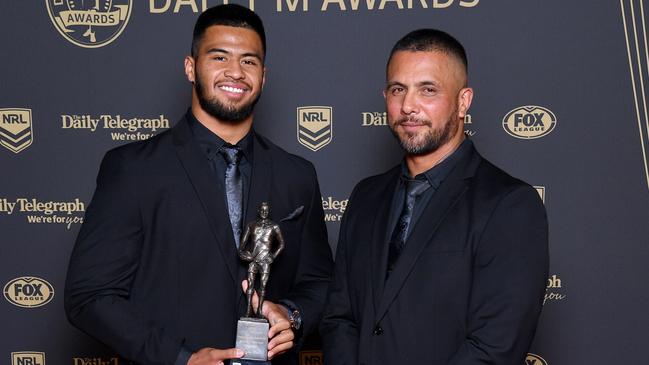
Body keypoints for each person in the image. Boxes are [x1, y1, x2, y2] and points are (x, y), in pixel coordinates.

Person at [64, 5, 333, 365]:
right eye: (219, 56)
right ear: (191, 67)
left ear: (263, 76)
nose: (235, 71)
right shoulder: (133, 168)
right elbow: (90, 295)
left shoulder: (296, 174)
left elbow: (319, 283)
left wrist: (293, 316)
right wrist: (180, 358)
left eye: (249, 61)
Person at [320, 29, 548, 365]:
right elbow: (339, 317)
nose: (408, 106)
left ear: (463, 101)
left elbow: (494, 347)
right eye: (398, 90)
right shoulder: (366, 196)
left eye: (428, 90)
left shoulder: (510, 204)